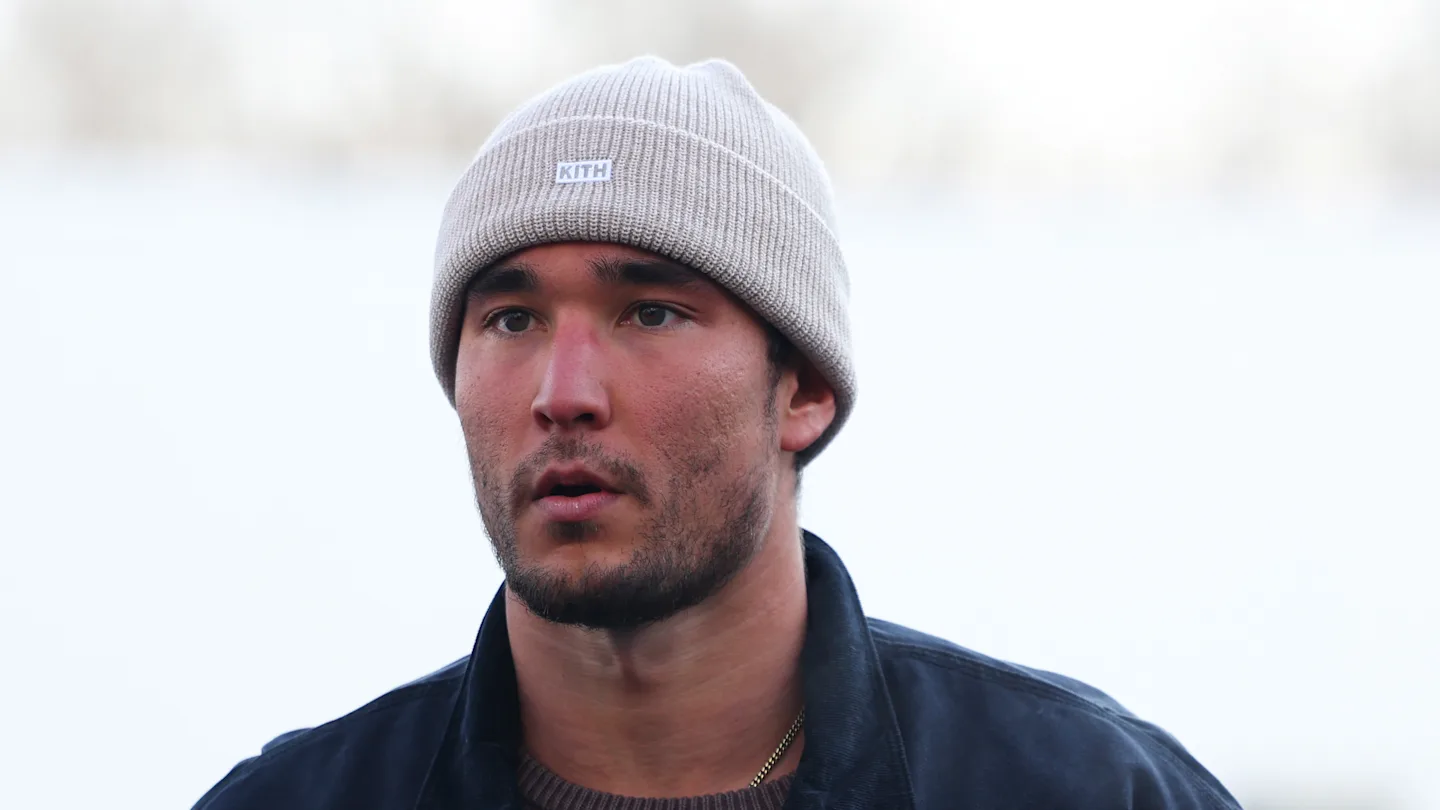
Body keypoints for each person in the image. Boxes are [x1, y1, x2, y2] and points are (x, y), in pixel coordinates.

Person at [192, 56, 1241, 810]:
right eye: (510, 319)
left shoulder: (1082, 789)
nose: (564, 393)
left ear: (804, 389)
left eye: (650, 313)